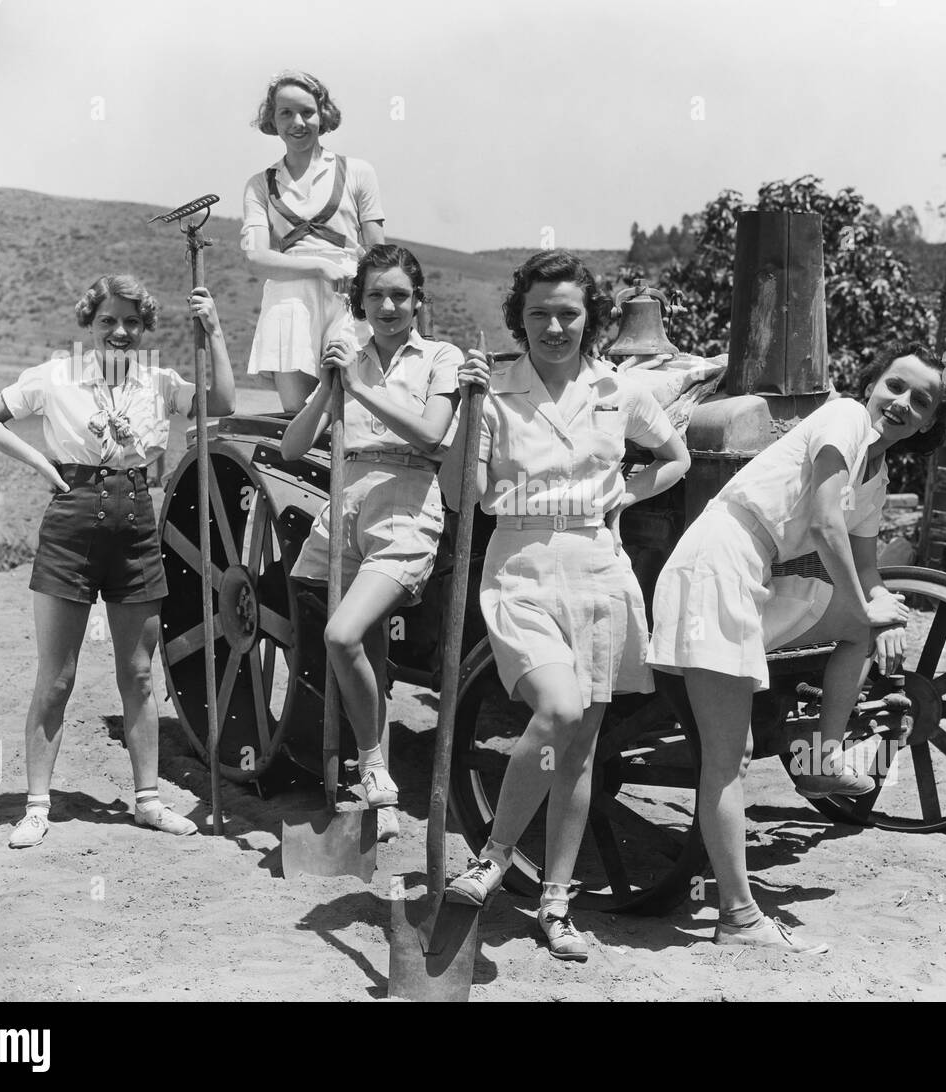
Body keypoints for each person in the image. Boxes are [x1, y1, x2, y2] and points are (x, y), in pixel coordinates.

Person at [647, 341, 946, 950]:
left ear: (928, 424)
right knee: (729, 756)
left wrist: (884, 616)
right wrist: (869, 604)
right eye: (895, 386)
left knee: (857, 624)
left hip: (755, 573)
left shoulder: (878, 474)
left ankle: (820, 757)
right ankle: (738, 918)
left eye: (920, 401)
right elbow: (823, 525)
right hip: (719, 562)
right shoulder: (844, 417)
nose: (901, 403)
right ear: (872, 382)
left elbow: (868, 568)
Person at [442, 250, 690, 961]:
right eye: (539, 313)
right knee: (558, 710)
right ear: (518, 320)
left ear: (592, 319)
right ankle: (492, 859)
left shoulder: (618, 391)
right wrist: (466, 409)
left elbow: (677, 459)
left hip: (601, 570)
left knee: (580, 756)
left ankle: (554, 906)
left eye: (568, 313)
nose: (555, 326)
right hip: (518, 566)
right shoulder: (491, 393)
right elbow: (463, 498)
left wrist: (622, 496)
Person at [0, 275, 236, 848]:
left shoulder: (159, 381)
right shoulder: (55, 376)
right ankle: (37, 807)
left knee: (138, 673)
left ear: (145, 329)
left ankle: (146, 802)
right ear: (89, 324)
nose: (120, 332)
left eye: (132, 323)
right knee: (58, 676)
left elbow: (224, 403)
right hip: (70, 528)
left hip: (139, 528)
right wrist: (46, 468)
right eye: (107, 321)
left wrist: (212, 331)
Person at [281, 245, 461, 834]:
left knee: (344, 632)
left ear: (418, 301)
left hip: (407, 504)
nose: (388, 306)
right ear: (359, 302)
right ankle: (378, 806)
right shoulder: (348, 362)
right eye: (376, 295)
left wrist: (358, 387)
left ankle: (374, 765)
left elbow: (433, 436)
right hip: (346, 500)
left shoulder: (440, 357)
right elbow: (291, 447)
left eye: (401, 295)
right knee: (361, 645)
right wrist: (329, 386)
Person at [242, 70, 386, 412]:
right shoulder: (260, 184)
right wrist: (320, 267)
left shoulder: (358, 172)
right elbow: (256, 257)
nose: (298, 122)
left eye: (307, 111)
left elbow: (379, 252)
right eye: (286, 113)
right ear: (272, 120)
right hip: (289, 303)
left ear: (323, 113)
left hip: (349, 300)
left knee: (352, 410)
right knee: (302, 415)